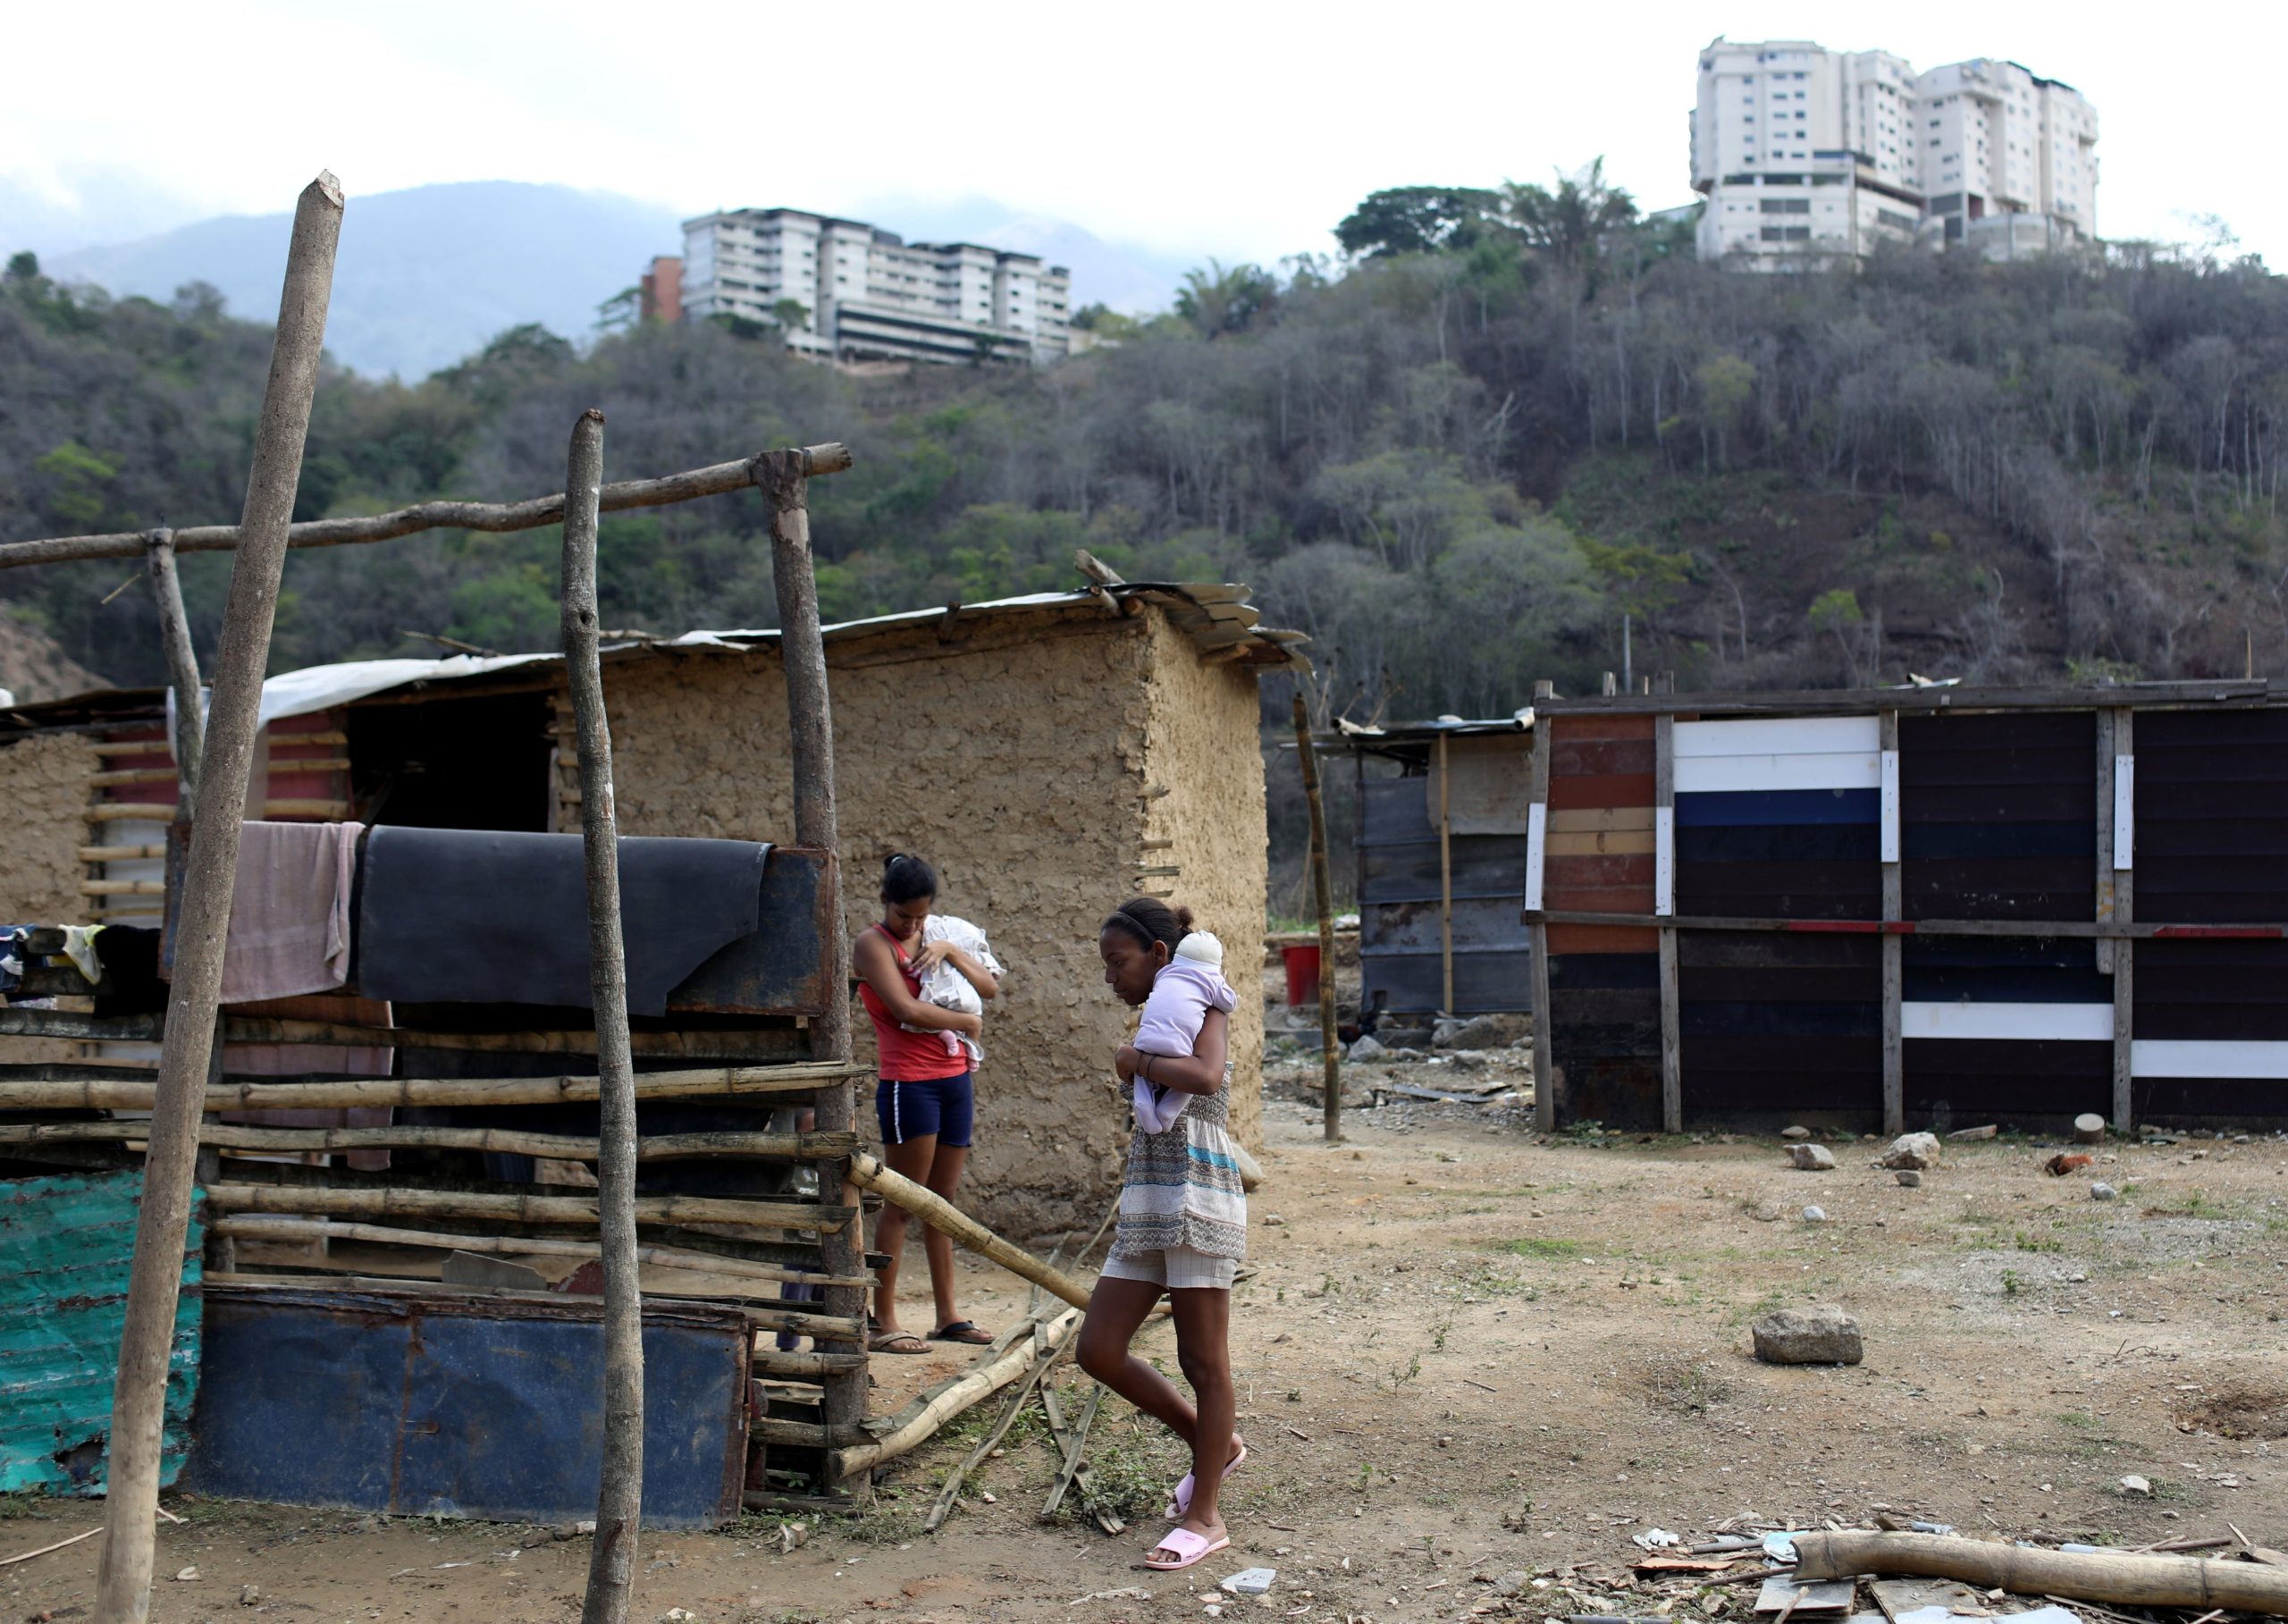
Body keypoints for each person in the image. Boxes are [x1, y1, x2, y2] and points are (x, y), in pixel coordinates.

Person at [1076, 897, 1248, 1572]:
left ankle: (1207, 1515)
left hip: (1199, 1192)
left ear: (1159, 955)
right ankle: (1218, 1446)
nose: (1110, 977)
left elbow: (1204, 1076)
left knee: (1203, 1361)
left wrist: (1133, 1061)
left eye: (1118, 962)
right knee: (1098, 1348)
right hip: (1150, 1195)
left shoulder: (1205, 1004)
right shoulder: (1158, 1016)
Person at [853, 853, 1000, 1352]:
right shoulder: (873, 945)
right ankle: (884, 1319)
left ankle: (948, 1316)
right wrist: (966, 1024)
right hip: (908, 1084)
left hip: (954, 1079)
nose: (912, 925)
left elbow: (990, 987)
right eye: (903, 917)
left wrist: (952, 953)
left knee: (943, 1203)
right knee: (903, 1203)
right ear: (884, 901)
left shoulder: (937, 937)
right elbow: (905, 1008)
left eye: (919, 916)